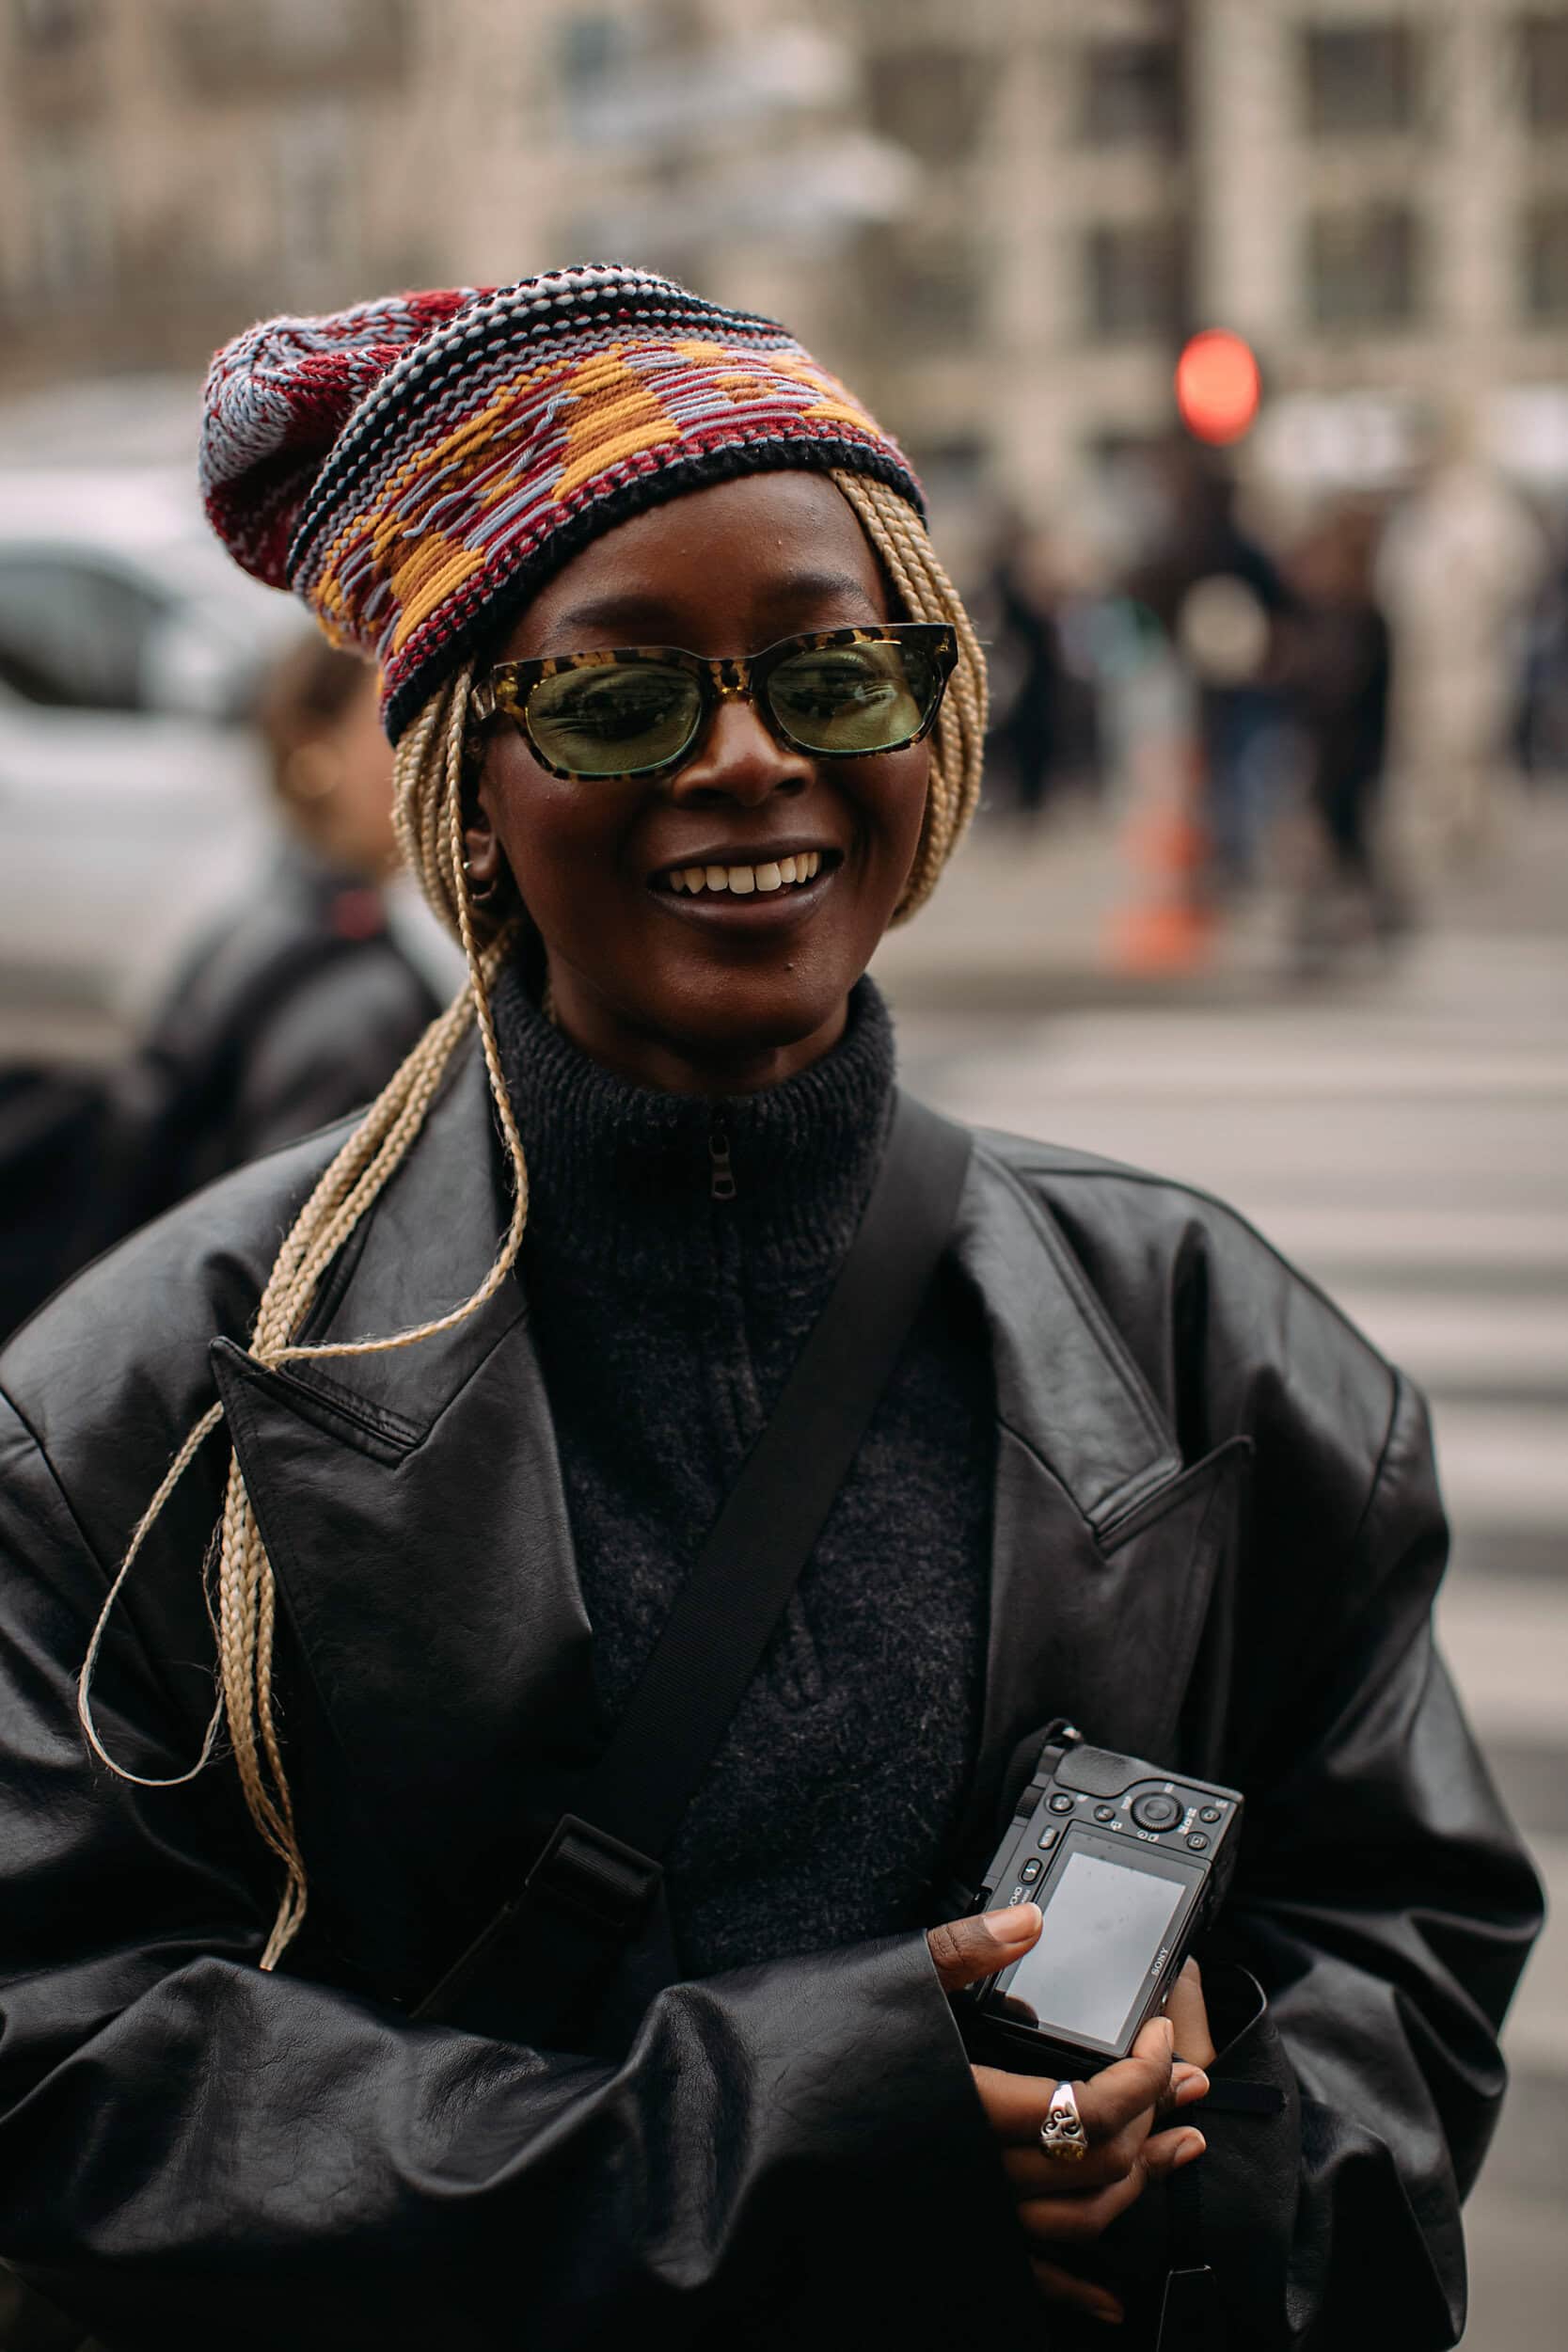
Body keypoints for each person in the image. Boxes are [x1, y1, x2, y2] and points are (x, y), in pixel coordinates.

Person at [0, 265, 1541, 2352]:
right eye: (621, 698)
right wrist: (829, 2129)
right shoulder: (147, 1404)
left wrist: (1195, 2166)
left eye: (834, 675)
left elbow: (1398, 1933)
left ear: (938, 719)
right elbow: (68, 2065)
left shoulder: (1210, 1342)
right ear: (465, 780)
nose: (747, 762)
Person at [0, 639, 446, 1342]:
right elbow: (302, 1274)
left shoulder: (269, 906)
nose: (433, 757)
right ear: (314, 751)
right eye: (398, 723)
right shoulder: (358, 999)